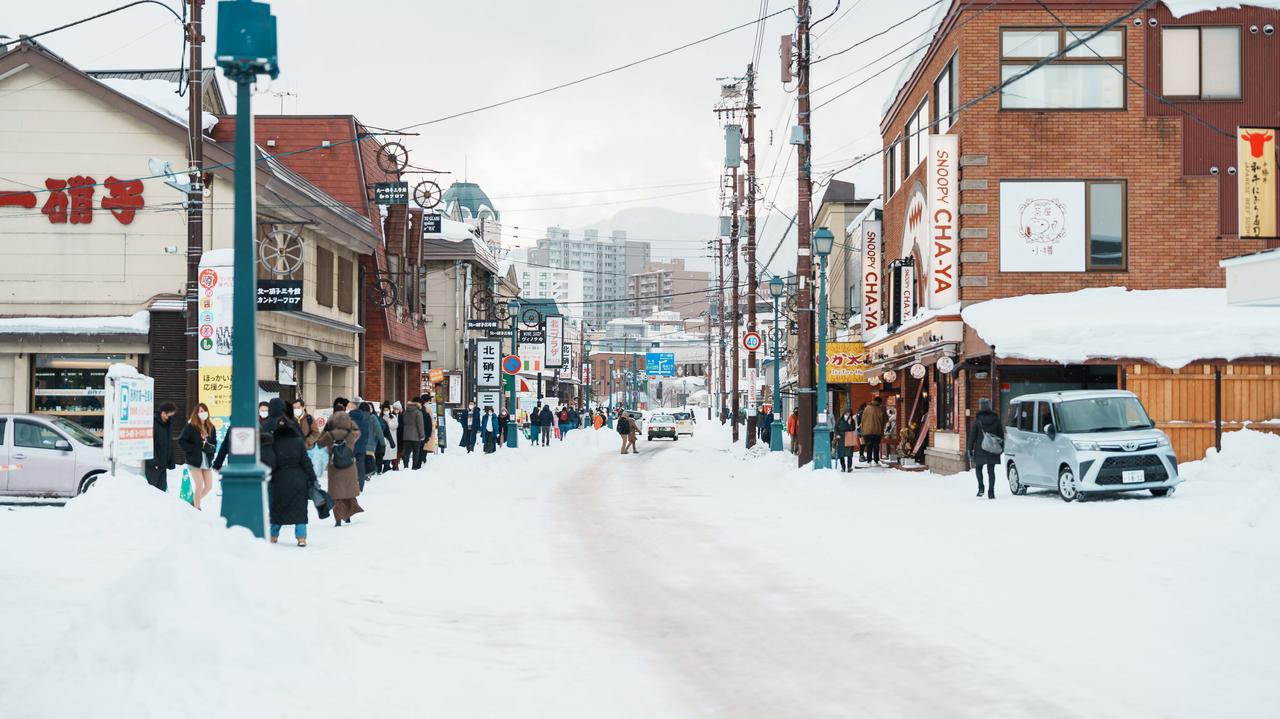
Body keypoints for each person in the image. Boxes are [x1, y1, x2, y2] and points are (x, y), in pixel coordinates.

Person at [261, 398, 314, 546]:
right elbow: (304, 455)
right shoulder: (293, 425)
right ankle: (301, 537)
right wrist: (312, 477)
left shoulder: (265, 426)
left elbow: (264, 450)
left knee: (277, 506)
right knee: (299, 508)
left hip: (277, 474)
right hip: (298, 475)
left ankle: (273, 535)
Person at [318, 410, 363, 525]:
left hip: (334, 468)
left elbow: (319, 443)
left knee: (336, 495)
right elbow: (358, 432)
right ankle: (347, 516)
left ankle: (338, 519)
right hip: (349, 467)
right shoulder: (351, 435)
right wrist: (350, 424)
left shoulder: (329, 435)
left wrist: (327, 427)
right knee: (347, 492)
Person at [177, 403, 218, 508]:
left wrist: (210, 450)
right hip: (194, 460)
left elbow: (214, 443)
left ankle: (194, 502)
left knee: (209, 486)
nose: (203, 413)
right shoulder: (191, 426)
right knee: (199, 485)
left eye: (205, 411)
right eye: (200, 411)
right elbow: (181, 441)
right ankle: (197, 508)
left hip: (206, 460)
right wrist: (193, 449)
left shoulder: (211, 427)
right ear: (196, 413)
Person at [968, 398, 1005, 499]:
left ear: (980, 406)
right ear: (989, 406)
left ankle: (981, 488)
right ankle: (991, 492)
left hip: (981, 449)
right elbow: (1001, 435)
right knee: (991, 471)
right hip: (992, 449)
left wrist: (969, 448)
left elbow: (973, 436)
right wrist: (1001, 448)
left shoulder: (978, 420)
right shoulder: (996, 419)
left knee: (978, 468)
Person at [145, 402, 177, 491]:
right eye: (168, 415)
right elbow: (149, 443)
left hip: (163, 463)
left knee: (161, 490)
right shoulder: (153, 423)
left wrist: (170, 461)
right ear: (163, 413)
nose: (169, 418)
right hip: (154, 464)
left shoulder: (168, 424)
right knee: (152, 490)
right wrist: (153, 462)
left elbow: (169, 443)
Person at [347, 400, 376, 490]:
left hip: (350, 447)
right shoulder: (364, 422)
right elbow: (366, 435)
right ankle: (361, 486)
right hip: (361, 447)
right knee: (361, 467)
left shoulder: (348, 421)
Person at [860, 396, 888, 466]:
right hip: (877, 431)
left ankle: (869, 461)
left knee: (869, 446)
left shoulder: (866, 408)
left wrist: (863, 431)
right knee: (876, 446)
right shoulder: (881, 409)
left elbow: (862, 420)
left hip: (867, 431)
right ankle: (876, 461)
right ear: (880, 402)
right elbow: (885, 419)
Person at [383, 401, 400, 472]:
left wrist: (388, 422)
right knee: (385, 453)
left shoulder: (393, 416)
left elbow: (395, 425)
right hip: (384, 437)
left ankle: (389, 466)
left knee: (390, 452)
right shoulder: (382, 416)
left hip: (392, 436)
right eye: (384, 410)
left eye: (387, 410)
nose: (386, 411)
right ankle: (386, 466)